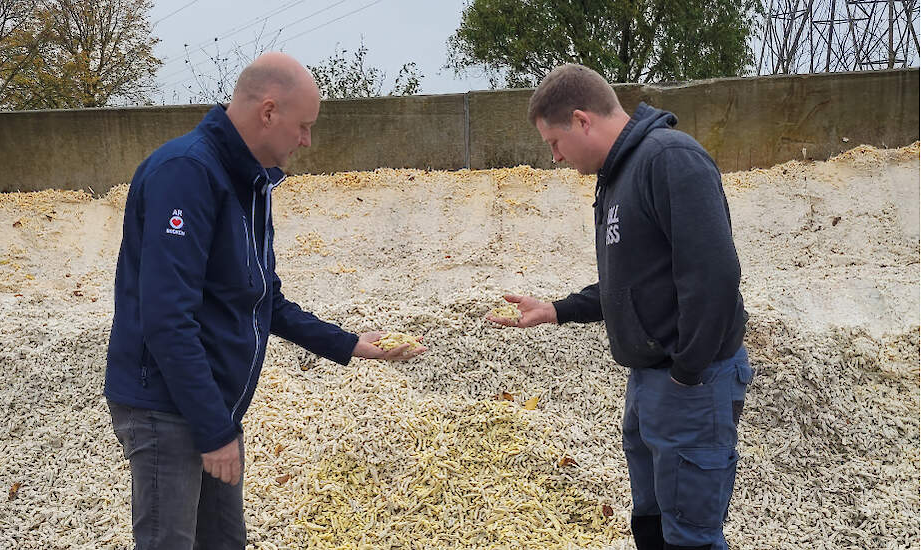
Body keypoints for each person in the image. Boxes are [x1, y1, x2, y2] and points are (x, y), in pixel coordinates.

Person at [103, 52, 426, 549]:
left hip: (213, 405)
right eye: (303, 126)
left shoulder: (251, 182)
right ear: (269, 111)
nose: (306, 140)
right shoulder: (186, 173)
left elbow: (263, 299)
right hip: (167, 406)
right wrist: (213, 431)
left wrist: (351, 344)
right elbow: (167, 318)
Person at [486, 64, 752, 550]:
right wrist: (555, 309)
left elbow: (714, 278)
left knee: (690, 535)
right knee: (651, 523)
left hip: (691, 378)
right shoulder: (617, 176)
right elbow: (633, 283)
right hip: (650, 378)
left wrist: (686, 374)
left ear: (582, 121)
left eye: (554, 142)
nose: (554, 157)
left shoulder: (669, 159)